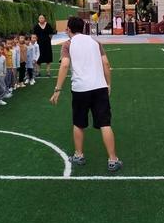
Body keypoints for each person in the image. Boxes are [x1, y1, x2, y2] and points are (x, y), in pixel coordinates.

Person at [50, 16, 122, 172]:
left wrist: (57, 89)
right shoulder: (95, 42)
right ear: (83, 28)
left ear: (68, 29)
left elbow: (65, 65)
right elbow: (106, 63)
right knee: (105, 123)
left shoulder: (68, 44)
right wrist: (108, 84)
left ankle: (79, 155)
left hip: (80, 89)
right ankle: (112, 159)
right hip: (99, 87)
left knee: (78, 123)